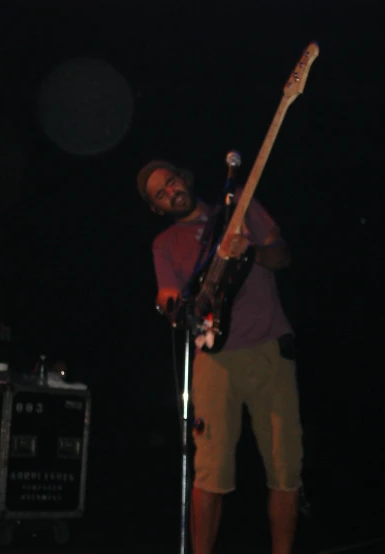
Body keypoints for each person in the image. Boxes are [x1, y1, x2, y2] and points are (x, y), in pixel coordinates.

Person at [137, 159, 303, 554]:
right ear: (158, 208)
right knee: (209, 471)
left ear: (185, 178)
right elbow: (168, 295)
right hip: (214, 359)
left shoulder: (239, 206)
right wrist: (172, 307)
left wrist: (251, 253)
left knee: (285, 468)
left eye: (172, 181)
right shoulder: (164, 244)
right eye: (160, 193)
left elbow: (282, 255)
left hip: (269, 350)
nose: (171, 191)